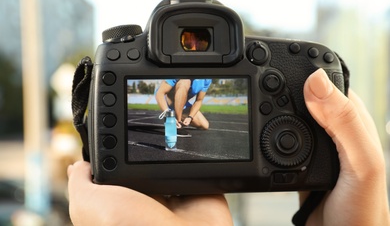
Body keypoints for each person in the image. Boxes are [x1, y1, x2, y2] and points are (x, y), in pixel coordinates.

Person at [67, 69, 390, 225]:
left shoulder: (203, 83)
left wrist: (191, 118)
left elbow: (199, 101)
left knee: (204, 124)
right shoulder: (177, 80)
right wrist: (175, 116)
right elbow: (164, 95)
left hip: (187, 104)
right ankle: (173, 122)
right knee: (177, 109)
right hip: (168, 101)